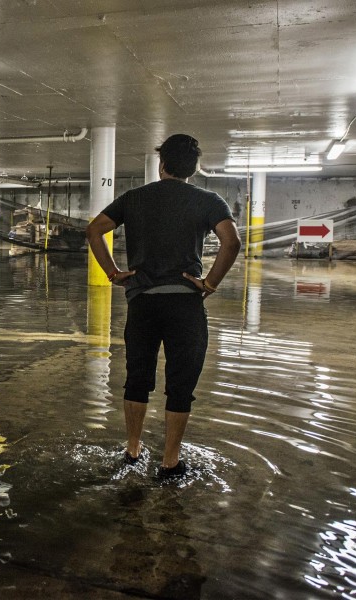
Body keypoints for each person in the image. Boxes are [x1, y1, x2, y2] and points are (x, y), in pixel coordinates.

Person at [85, 134, 241, 479]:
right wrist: (210, 284)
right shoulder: (208, 200)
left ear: (162, 164)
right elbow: (232, 243)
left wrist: (114, 273)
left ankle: (133, 449)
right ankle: (170, 462)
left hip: (142, 303)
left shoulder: (134, 198)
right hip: (185, 304)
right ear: (194, 167)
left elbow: (94, 231)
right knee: (181, 384)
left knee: (137, 379)